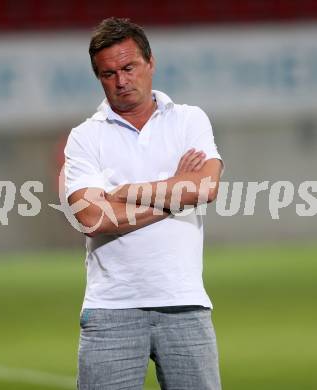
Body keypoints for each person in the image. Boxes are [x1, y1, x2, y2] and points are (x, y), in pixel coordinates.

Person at [64, 17, 223, 390]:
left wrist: (123, 191)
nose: (121, 81)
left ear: (151, 63)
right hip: (110, 311)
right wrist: (174, 196)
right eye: (108, 73)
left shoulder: (188, 119)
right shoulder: (86, 137)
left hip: (184, 304)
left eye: (129, 67)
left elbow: (206, 187)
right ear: (98, 77)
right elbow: (91, 217)